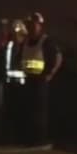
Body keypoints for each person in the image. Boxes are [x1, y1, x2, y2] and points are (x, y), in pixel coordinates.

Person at [19, 12, 62, 146]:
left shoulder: (46, 42)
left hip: (41, 80)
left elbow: (57, 58)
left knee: (39, 111)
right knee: (29, 110)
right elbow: (21, 58)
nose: (32, 27)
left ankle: (40, 138)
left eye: (34, 24)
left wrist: (50, 74)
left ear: (40, 26)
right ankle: (29, 138)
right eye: (30, 25)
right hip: (28, 79)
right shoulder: (25, 41)